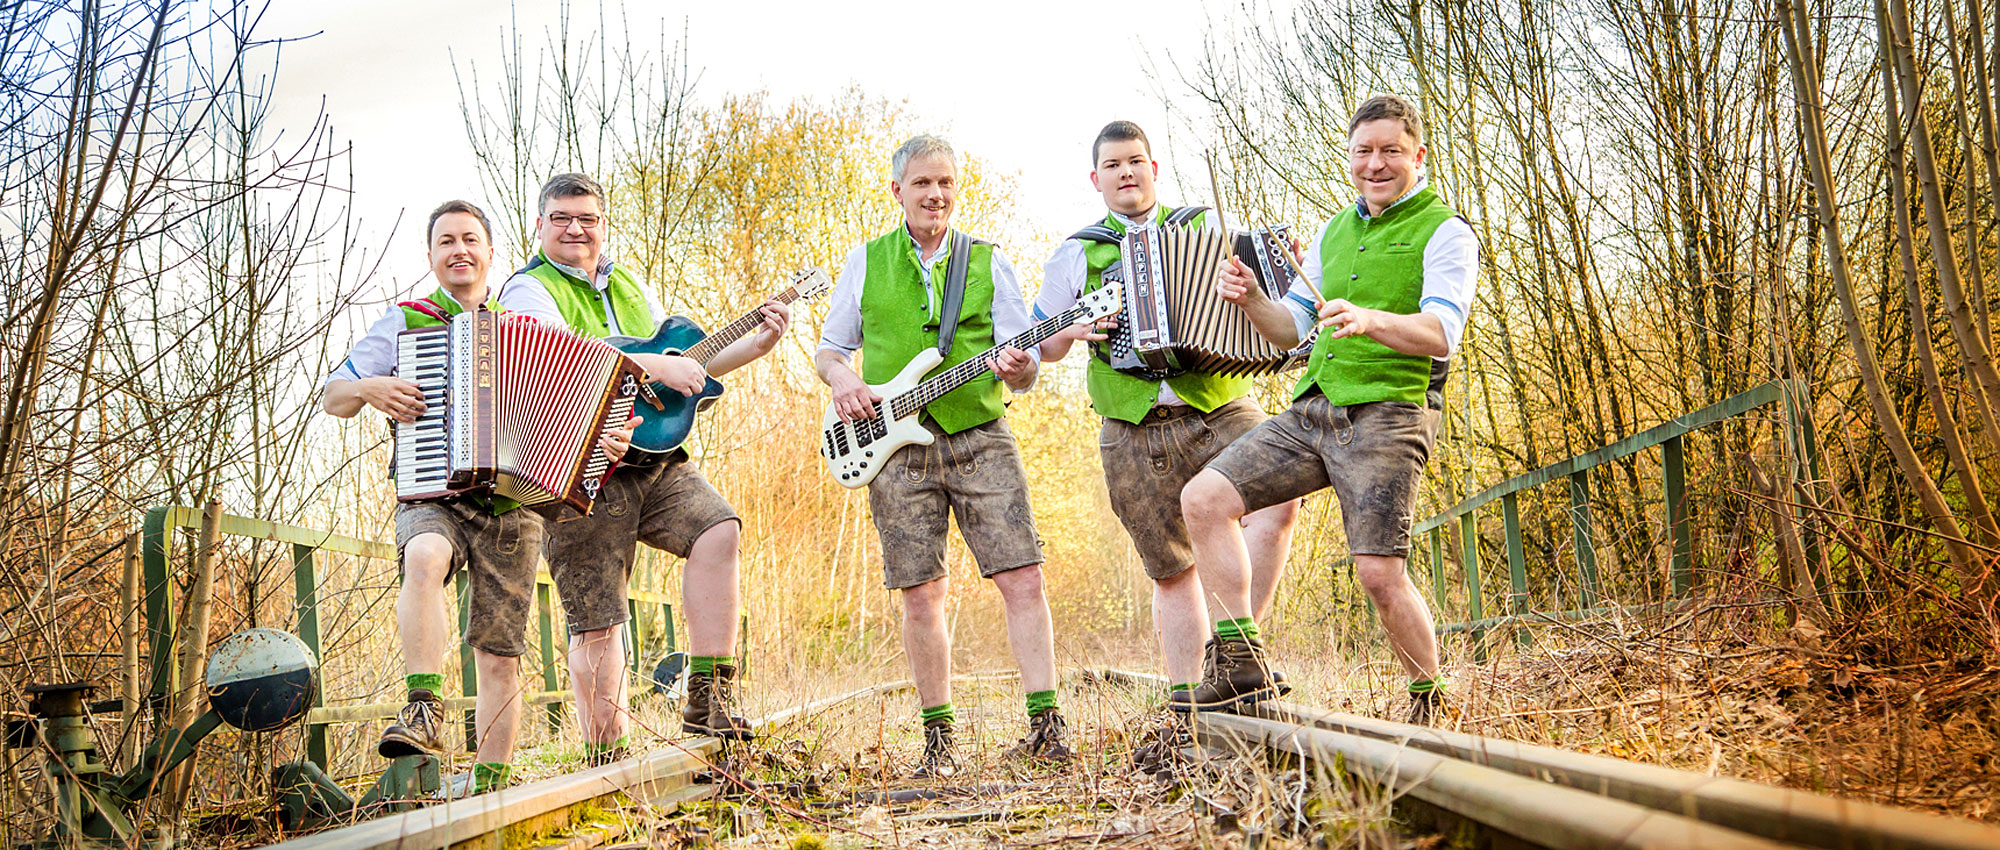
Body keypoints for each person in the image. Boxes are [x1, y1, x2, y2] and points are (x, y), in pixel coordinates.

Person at [1181, 95, 1478, 724]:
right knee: (1203, 499)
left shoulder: (1446, 232)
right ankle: (1239, 660)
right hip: (1314, 410)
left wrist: (1370, 320)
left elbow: (1442, 334)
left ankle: (1430, 703)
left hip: (1390, 413)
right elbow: (1289, 330)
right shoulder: (1332, 232)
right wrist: (1253, 299)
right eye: (1364, 152)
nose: (1376, 164)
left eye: (1390, 151)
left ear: (1417, 155)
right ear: (1350, 158)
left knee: (1377, 573)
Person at [324, 200, 632, 796]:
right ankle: (423, 708)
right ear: (433, 256)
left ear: (490, 252)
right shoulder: (405, 321)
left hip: (511, 506)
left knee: (499, 654)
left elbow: (588, 403)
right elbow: (335, 396)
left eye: (470, 239)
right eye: (446, 241)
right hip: (432, 492)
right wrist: (370, 387)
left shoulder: (528, 329)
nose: (459, 250)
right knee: (424, 559)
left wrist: (609, 433)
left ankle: (491, 786)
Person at [495, 173, 792, 757]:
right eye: (561, 218)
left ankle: (709, 698)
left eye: (587, 218)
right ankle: (607, 762)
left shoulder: (629, 282)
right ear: (539, 224)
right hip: (577, 466)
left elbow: (684, 364)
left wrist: (755, 345)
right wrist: (655, 364)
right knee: (599, 624)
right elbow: (556, 356)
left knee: (718, 529)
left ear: (603, 225)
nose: (575, 228)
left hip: (654, 461)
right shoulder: (526, 290)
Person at [813, 134, 1069, 776]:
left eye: (946, 183)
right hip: (892, 449)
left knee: (1023, 576)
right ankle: (938, 740)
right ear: (897, 190)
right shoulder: (865, 261)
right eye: (923, 183)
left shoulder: (989, 261)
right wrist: (844, 380)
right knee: (922, 593)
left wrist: (1020, 370)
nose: (936, 195)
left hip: (981, 435)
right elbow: (829, 349)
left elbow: (1027, 360)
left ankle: (1046, 726)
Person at [1035, 121, 1299, 713]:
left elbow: (1267, 295)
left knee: (1280, 500)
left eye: (1136, 161)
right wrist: (1070, 330)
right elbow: (1040, 345)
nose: (1126, 172)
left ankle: (1234, 653)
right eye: (1114, 165)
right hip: (1131, 423)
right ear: (1096, 179)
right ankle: (1189, 707)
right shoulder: (1077, 252)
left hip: (1219, 400)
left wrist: (1277, 271)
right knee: (1171, 568)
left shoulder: (1204, 227)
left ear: (1154, 168)